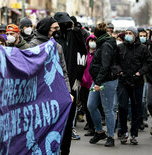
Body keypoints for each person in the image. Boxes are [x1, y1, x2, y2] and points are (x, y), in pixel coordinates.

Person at [53, 12, 87, 154]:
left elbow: (82, 56)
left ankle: (64, 149)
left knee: (67, 121)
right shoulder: (52, 38)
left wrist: (77, 78)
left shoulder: (75, 36)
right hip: (53, 85)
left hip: (69, 85)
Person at [117, 26, 152, 145]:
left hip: (137, 83)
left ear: (135, 35)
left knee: (136, 109)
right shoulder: (120, 47)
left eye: (130, 33)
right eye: (126, 33)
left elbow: (150, 62)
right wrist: (119, 71)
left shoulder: (143, 48)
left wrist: (140, 72)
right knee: (122, 107)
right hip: (123, 82)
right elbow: (114, 62)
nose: (128, 35)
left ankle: (133, 134)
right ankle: (124, 132)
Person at [87, 22, 119, 147]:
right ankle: (100, 132)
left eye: (94, 35)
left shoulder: (106, 45)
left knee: (108, 109)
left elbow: (105, 66)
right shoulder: (103, 43)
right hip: (98, 80)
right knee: (91, 105)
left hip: (106, 81)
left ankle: (110, 136)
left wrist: (98, 82)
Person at [29, 17, 71, 93]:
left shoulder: (58, 47)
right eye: (55, 28)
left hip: (54, 90)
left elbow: (63, 72)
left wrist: (68, 91)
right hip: (38, 90)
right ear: (46, 29)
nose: (58, 30)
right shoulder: (34, 45)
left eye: (58, 28)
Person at [80, 34, 96, 137]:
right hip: (84, 84)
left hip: (94, 84)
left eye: (93, 40)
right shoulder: (84, 54)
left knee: (93, 106)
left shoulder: (98, 54)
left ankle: (95, 126)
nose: (92, 42)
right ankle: (91, 127)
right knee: (85, 106)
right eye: (90, 40)